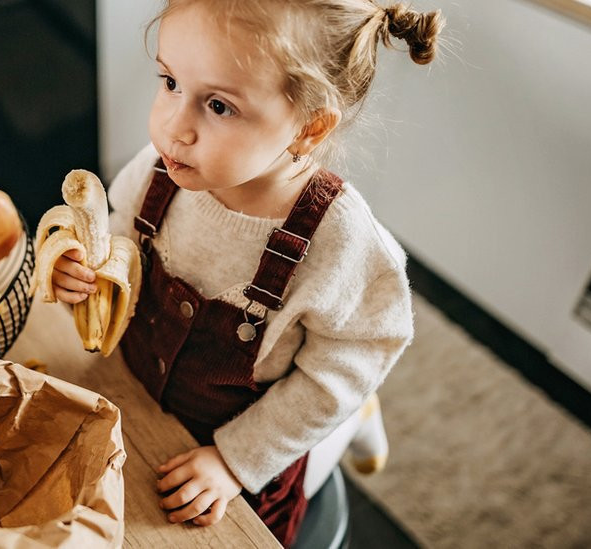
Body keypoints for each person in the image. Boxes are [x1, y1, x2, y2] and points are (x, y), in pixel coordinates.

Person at [52, 0, 443, 545]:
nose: (173, 126)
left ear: (309, 129)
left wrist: (235, 462)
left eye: (218, 105)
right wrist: (85, 278)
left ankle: (351, 425)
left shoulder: (342, 245)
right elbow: (122, 242)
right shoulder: (158, 170)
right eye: (169, 81)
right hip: (133, 397)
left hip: (238, 462)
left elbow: (348, 366)